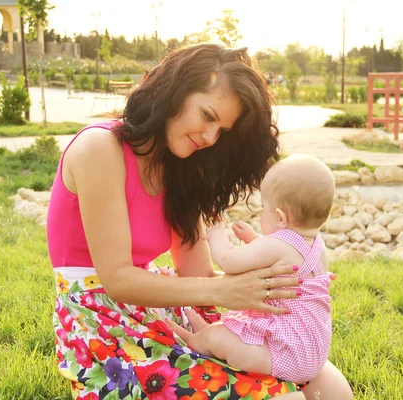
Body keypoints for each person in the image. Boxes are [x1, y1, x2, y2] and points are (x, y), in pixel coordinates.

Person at [47, 43, 353, 399]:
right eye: (207, 116)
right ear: (172, 94)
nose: (209, 138)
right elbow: (117, 279)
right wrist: (224, 292)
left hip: (158, 299)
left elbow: (199, 275)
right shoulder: (99, 148)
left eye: (222, 130)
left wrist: (268, 284)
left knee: (330, 386)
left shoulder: (181, 168)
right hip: (99, 315)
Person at [167, 155, 335, 395]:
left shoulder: (279, 245)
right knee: (227, 329)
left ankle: (198, 342)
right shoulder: (317, 245)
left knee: (221, 338)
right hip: (312, 352)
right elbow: (282, 263)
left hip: (284, 356)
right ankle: (207, 332)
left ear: (280, 217)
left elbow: (229, 261)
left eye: (263, 208)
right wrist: (254, 240)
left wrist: (217, 236)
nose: (260, 214)